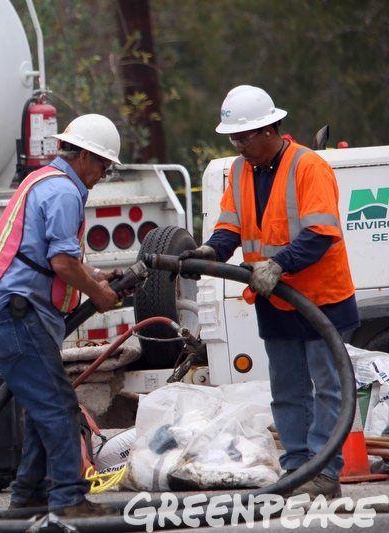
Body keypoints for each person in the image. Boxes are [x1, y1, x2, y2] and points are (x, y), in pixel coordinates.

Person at [181, 85, 358, 498]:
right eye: (233, 139)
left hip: (320, 298)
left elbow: (320, 233)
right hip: (275, 299)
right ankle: (296, 469)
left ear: (269, 129)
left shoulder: (308, 167)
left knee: (330, 388)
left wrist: (279, 264)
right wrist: (209, 250)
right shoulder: (241, 171)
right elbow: (230, 227)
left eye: (244, 137)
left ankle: (325, 472)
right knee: (287, 390)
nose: (239, 145)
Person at [0, 114, 122, 517]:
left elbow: (49, 255)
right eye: (103, 167)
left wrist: (93, 274)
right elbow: (60, 262)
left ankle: (30, 495)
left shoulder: (45, 181)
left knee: (45, 406)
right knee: (58, 406)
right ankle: (68, 499)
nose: (102, 175)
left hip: (13, 313)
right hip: (17, 315)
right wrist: (99, 293)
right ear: (85, 158)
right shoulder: (63, 192)